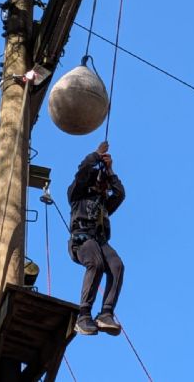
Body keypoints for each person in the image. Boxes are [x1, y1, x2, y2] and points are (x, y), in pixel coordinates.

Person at [67, 141, 126, 336]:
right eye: (100, 183)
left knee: (117, 265)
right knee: (96, 263)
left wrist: (110, 171)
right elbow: (83, 171)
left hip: (100, 241)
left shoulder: (105, 204)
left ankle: (106, 313)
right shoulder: (77, 195)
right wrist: (96, 155)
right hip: (82, 240)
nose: (103, 187)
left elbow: (120, 194)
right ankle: (84, 315)